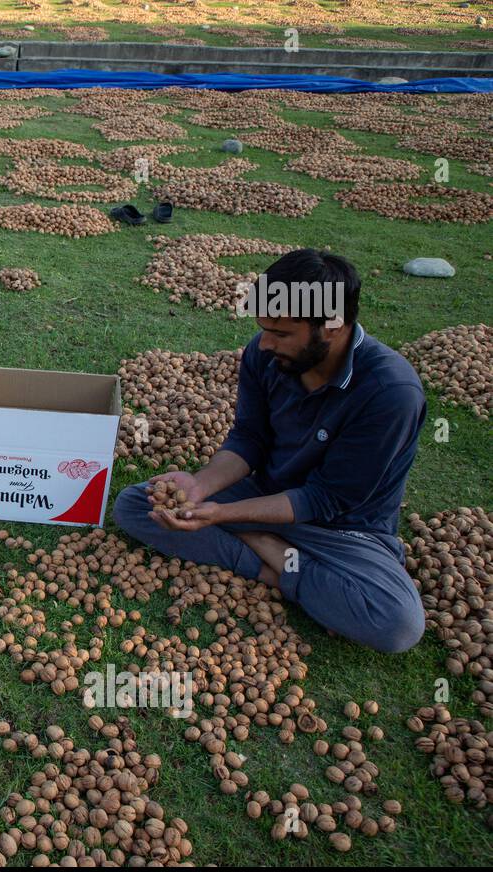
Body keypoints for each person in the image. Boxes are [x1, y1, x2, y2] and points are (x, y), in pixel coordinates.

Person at [113, 249, 427, 653]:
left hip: (342, 528)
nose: (264, 343)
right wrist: (200, 487)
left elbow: (325, 498)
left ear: (332, 326)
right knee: (136, 505)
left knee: (396, 623)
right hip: (265, 495)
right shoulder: (266, 357)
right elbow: (250, 438)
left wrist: (224, 516)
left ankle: (261, 545)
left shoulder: (390, 392)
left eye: (281, 333)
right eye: (263, 328)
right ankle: (284, 571)